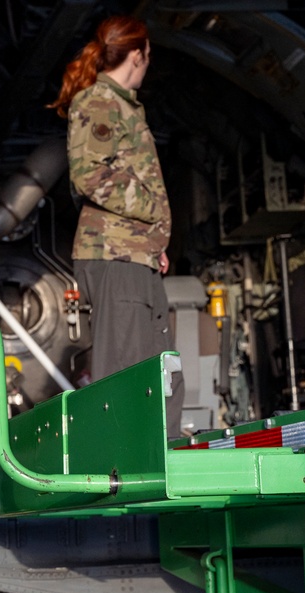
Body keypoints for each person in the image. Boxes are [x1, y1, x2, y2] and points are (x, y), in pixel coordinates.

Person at [48, 16, 183, 436]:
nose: (148, 64)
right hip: (116, 256)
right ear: (138, 53)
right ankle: (117, 470)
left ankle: (160, 465)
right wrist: (151, 214)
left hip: (132, 253)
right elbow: (88, 176)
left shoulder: (121, 104)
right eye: (148, 56)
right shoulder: (99, 102)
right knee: (125, 373)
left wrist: (149, 238)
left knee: (158, 369)